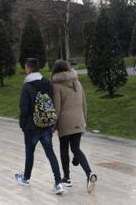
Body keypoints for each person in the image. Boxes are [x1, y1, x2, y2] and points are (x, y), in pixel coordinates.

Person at [14, 58, 65, 195]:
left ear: (28, 68)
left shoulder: (26, 86)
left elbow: (24, 109)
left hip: (31, 127)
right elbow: (52, 102)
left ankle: (26, 178)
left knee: (30, 153)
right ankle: (58, 182)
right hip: (46, 125)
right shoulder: (47, 83)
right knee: (51, 154)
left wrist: (22, 124)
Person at [51, 60, 97, 193]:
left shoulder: (57, 86)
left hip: (65, 122)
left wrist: (54, 125)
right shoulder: (78, 83)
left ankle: (67, 178)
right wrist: (84, 121)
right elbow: (84, 104)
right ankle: (89, 174)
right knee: (76, 148)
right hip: (79, 120)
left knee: (64, 149)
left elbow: (57, 108)